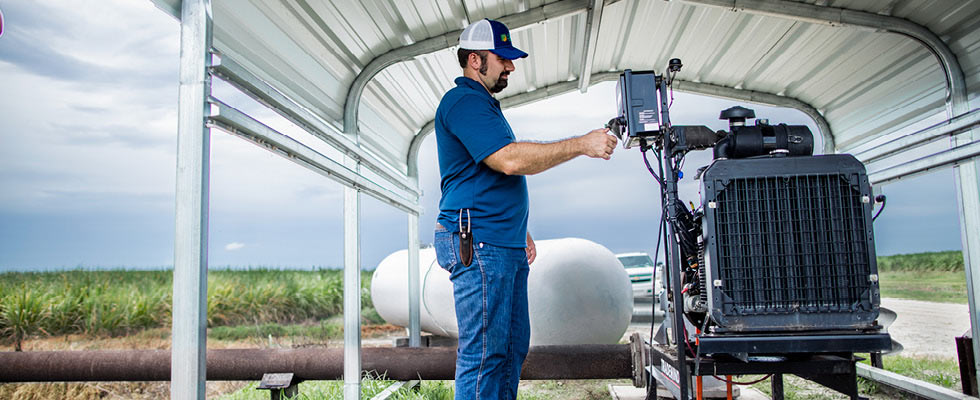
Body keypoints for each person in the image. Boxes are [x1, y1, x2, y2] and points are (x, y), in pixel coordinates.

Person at [432, 18, 618, 400]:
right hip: (479, 242)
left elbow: (484, 175)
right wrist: (581, 144)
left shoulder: (483, 104)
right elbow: (509, 161)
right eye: (502, 58)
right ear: (474, 60)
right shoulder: (464, 101)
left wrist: (520, 229)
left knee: (510, 349)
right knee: (485, 355)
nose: (511, 66)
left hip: (500, 242)